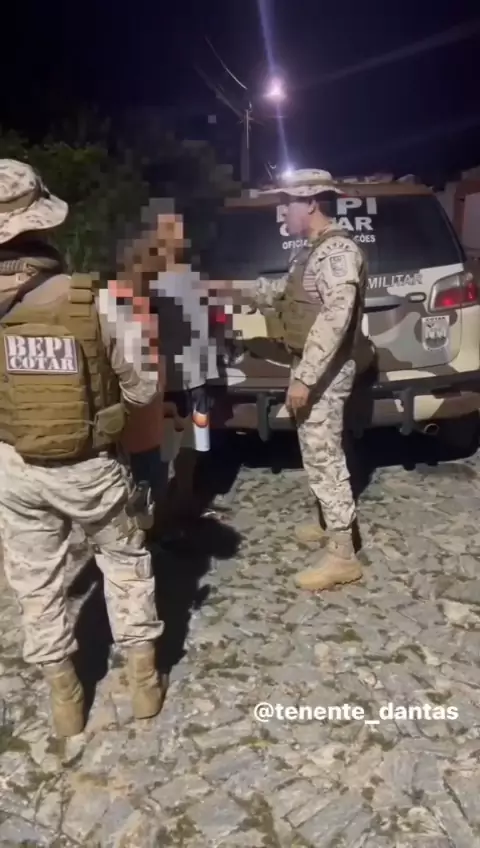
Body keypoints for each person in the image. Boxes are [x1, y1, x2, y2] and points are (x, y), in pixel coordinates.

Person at [0, 159, 166, 737]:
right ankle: (143, 684)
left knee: (35, 583)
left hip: (14, 465)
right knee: (123, 562)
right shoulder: (90, 300)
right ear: (45, 223)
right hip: (90, 465)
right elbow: (143, 387)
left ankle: (65, 700)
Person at [216, 169, 373, 591]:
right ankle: (327, 522)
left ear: (312, 203)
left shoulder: (337, 253)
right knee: (315, 450)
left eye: (288, 202)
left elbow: (335, 320)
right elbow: (284, 294)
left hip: (324, 369)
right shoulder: (311, 251)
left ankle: (343, 556)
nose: (282, 210)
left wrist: (304, 378)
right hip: (312, 364)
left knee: (324, 456)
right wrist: (232, 289)